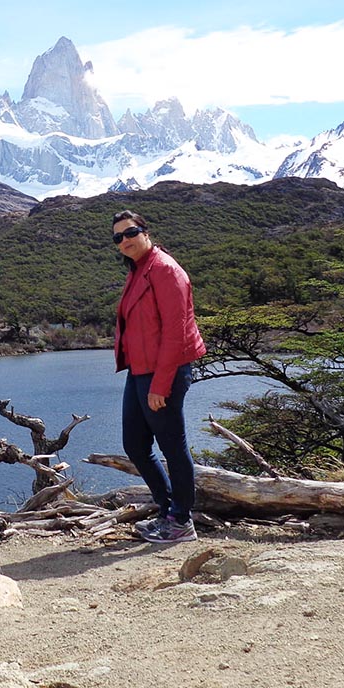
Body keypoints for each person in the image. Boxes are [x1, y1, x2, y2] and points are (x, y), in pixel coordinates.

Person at [111, 210, 206, 543]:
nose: (124, 240)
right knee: (135, 445)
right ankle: (167, 511)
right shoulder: (139, 270)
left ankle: (181, 520)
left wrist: (160, 384)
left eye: (130, 232)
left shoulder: (165, 269)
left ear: (145, 232)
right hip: (139, 370)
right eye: (118, 237)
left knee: (172, 446)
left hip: (163, 371)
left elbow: (176, 334)